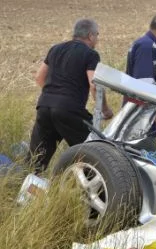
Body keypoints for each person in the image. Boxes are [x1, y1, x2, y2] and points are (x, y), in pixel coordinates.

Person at [28, 18, 112, 173]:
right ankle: (91, 188)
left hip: (44, 106)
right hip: (69, 109)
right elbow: (94, 84)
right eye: (97, 35)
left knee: (36, 159)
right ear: (90, 35)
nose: (97, 40)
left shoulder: (55, 49)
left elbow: (39, 77)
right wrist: (105, 109)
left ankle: (27, 193)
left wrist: (53, 95)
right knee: (93, 150)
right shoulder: (91, 54)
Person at [125, 12, 156, 129]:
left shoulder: (152, 46)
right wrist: (155, 111)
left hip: (148, 116)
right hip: (144, 119)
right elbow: (143, 84)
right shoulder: (146, 47)